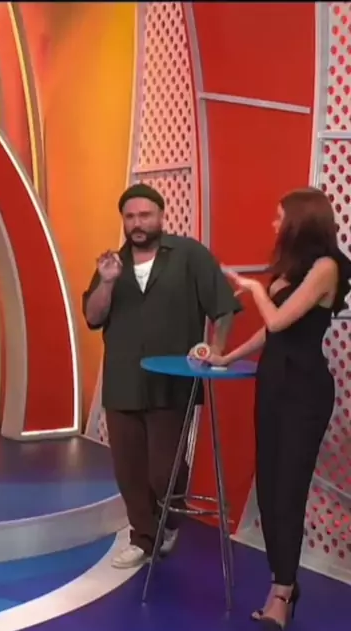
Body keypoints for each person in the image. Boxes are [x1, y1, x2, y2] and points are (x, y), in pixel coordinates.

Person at [198, 188, 351, 631]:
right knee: (267, 490)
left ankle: (282, 592)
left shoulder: (327, 267)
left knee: (289, 490)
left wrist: (253, 289)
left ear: (300, 221)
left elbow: (279, 321)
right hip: (274, 385)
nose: (273, 223)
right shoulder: (293, 269)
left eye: (279, 216)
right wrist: (227, 358)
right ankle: (282, 581)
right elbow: (272, 333)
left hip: (305, 389)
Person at [83, 183, 241, 569]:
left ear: (160, 216)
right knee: (129, 469)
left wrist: (216, 349)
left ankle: (169, 521)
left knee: (164, 469)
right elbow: (93, 316)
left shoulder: (189, 255)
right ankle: (143, 536)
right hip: (123, 381)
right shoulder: (112, 264)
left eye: (145, 215)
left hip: (172, 382)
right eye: (130, 217)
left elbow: (223, 307)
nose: (137, 223)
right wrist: (107, 282)